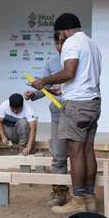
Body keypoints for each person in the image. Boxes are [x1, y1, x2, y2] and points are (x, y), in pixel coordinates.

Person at [31, 13, 102, 215]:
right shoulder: (92, 45)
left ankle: (78, 199)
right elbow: (83, 77)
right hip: (92, 101)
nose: (60, 39)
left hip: (77, 105)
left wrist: (44, 81)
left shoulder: (72, 43)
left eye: (59, 35)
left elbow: (69, 72)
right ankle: (89, 198)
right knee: (88, 150)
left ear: (63, 31)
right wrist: (62, 90)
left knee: (75, 152)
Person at [25, 34, 69, 206]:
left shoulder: (80, 60)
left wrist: (63, 90)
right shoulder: (52, 63)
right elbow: (44, 85)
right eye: (57, 43)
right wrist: (34, 93)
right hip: (58, 113)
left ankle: (84, 194)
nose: (59, 46)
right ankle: (60, 193)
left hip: (76, 112)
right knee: (58, 155)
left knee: (80, 154)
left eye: (63, 42)